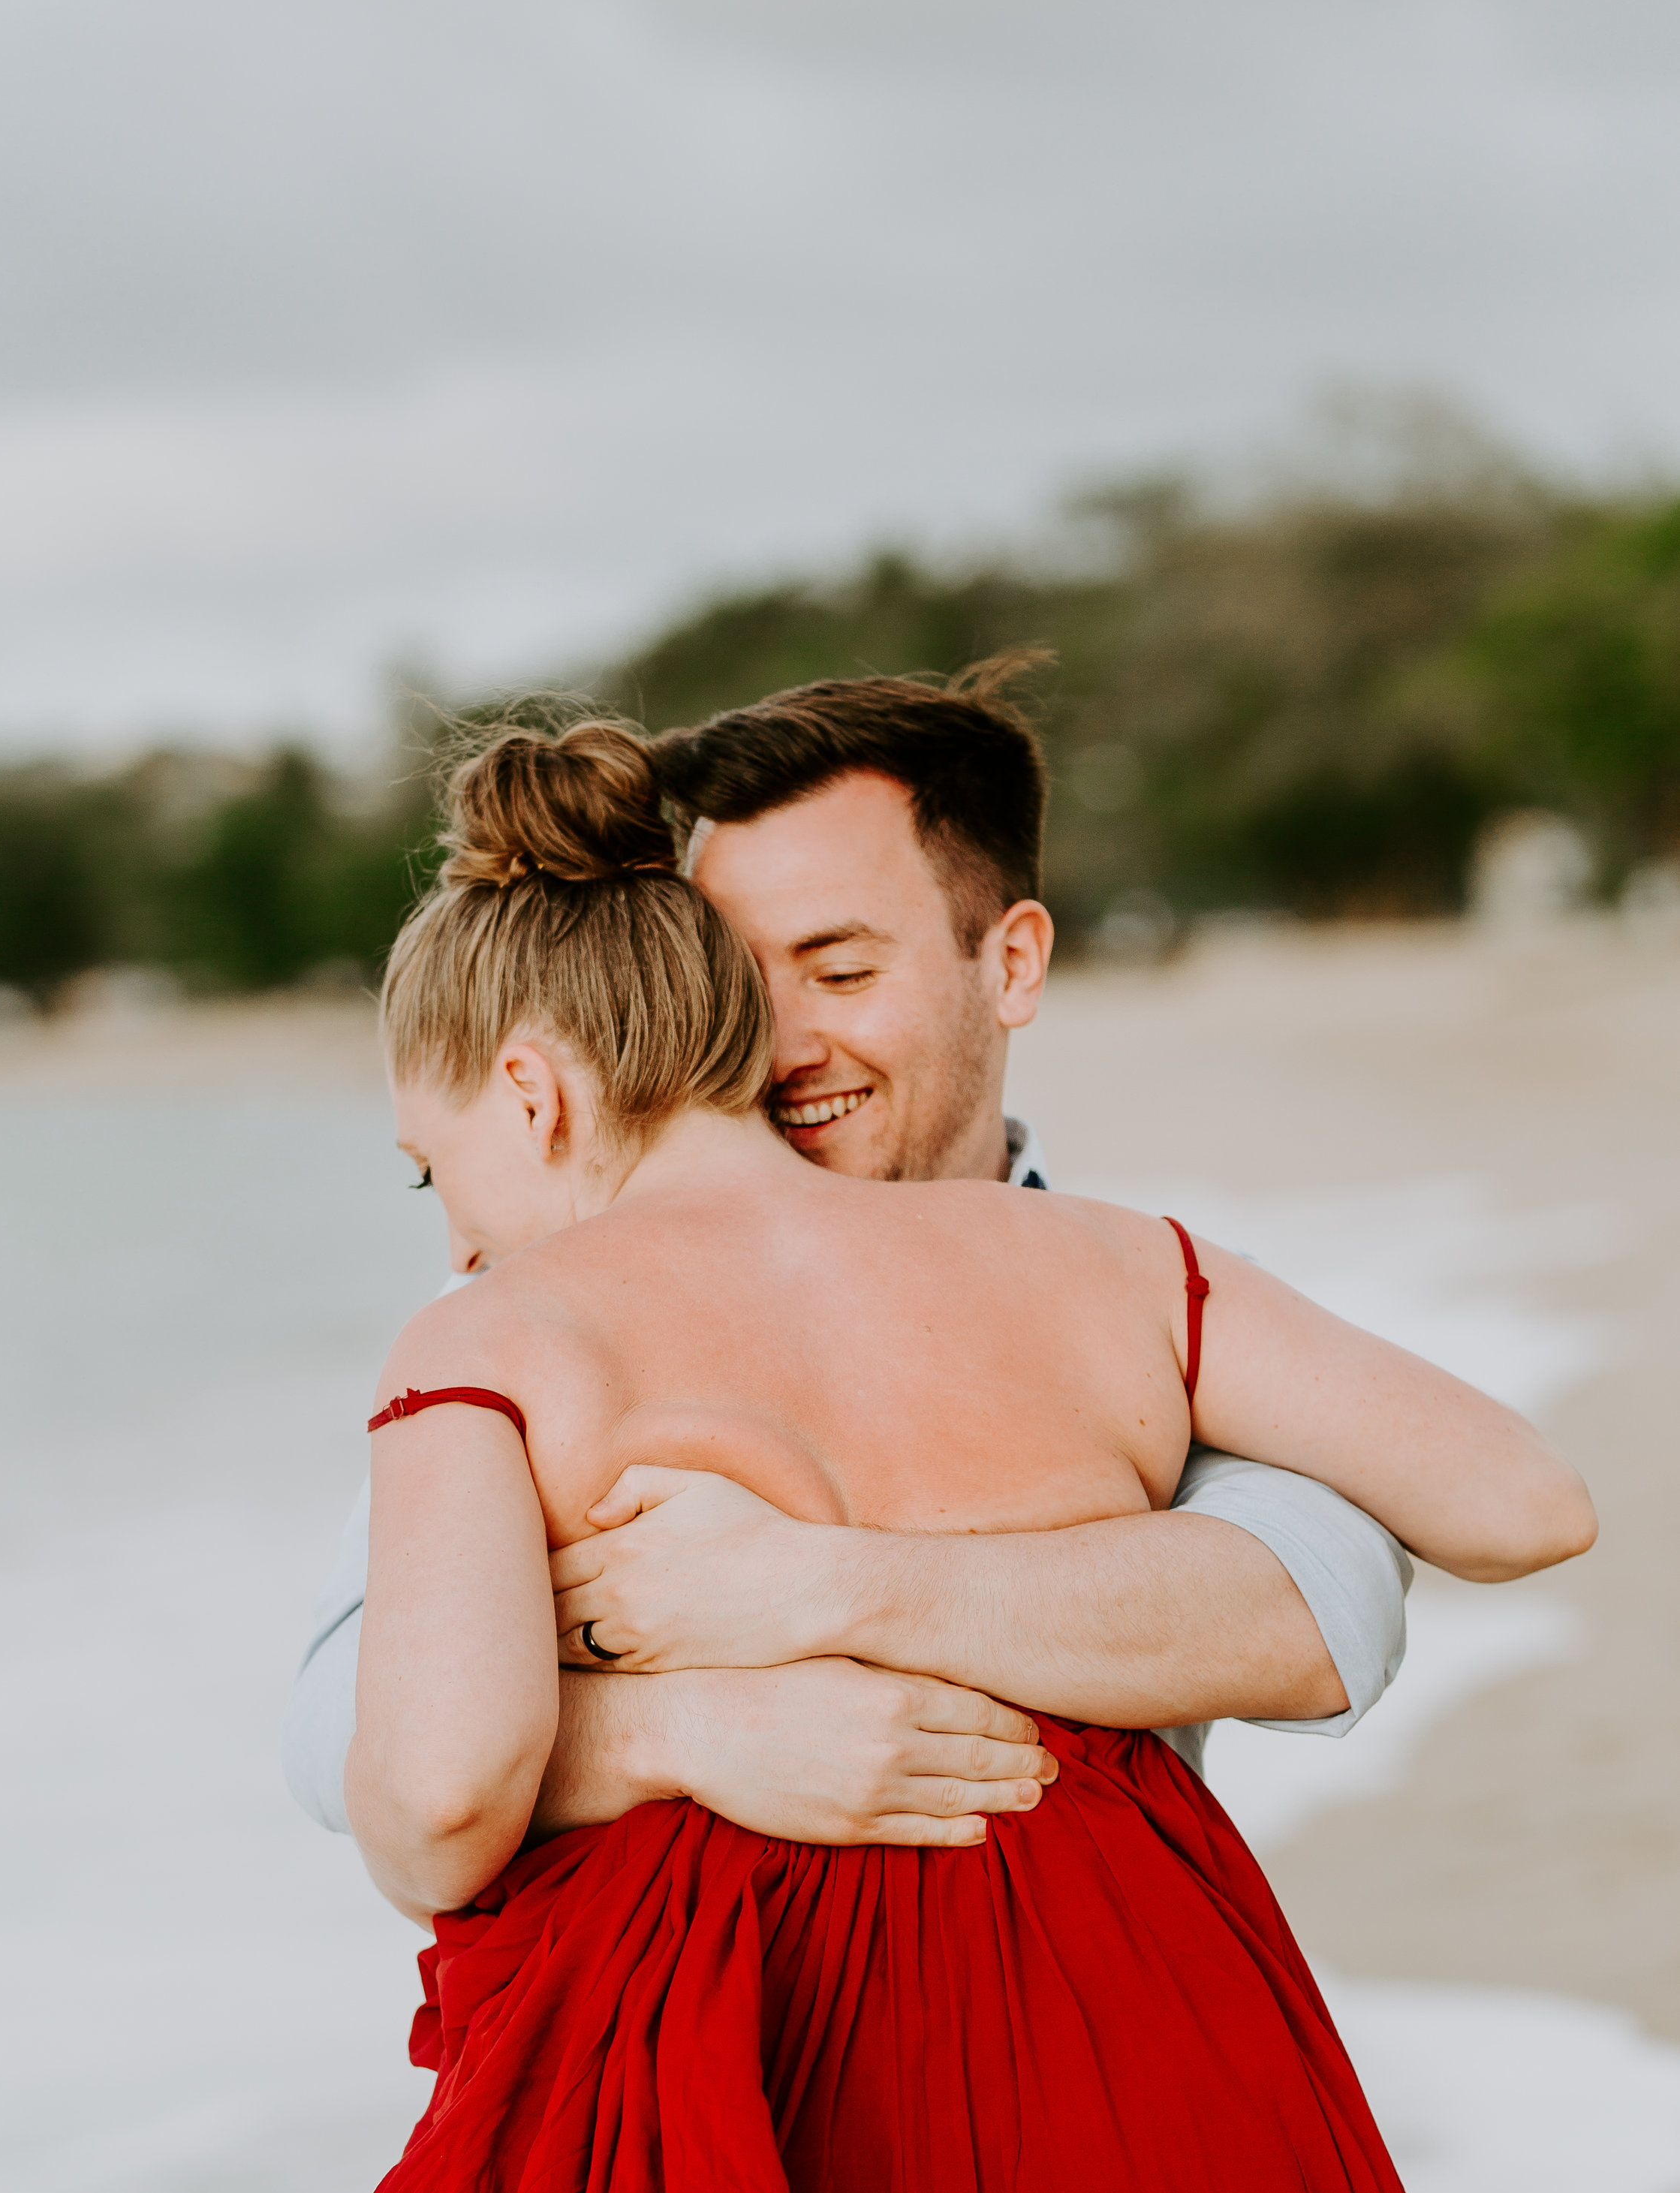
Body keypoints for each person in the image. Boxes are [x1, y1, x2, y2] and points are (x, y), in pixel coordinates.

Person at [347, 718, 1591, 2193]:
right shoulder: (1116, 1260)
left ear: (535, 1086)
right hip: (1161, 2014)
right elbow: (1515, 1495)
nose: (449, 1225)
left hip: (760, 2083)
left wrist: (741, 1623)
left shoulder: (499, 1336)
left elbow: (443, 1781)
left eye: (428, 1165)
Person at [283, 667, 1412, 1854]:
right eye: (731, 975)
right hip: (699, 2010)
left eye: (840, 969)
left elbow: (1323, 1608)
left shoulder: (1131, 1290)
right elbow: (339, 1720)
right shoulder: (528, 1303)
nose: (779, 1040)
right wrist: (672, 1728)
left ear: (1012, 964)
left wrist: (814, 1584)